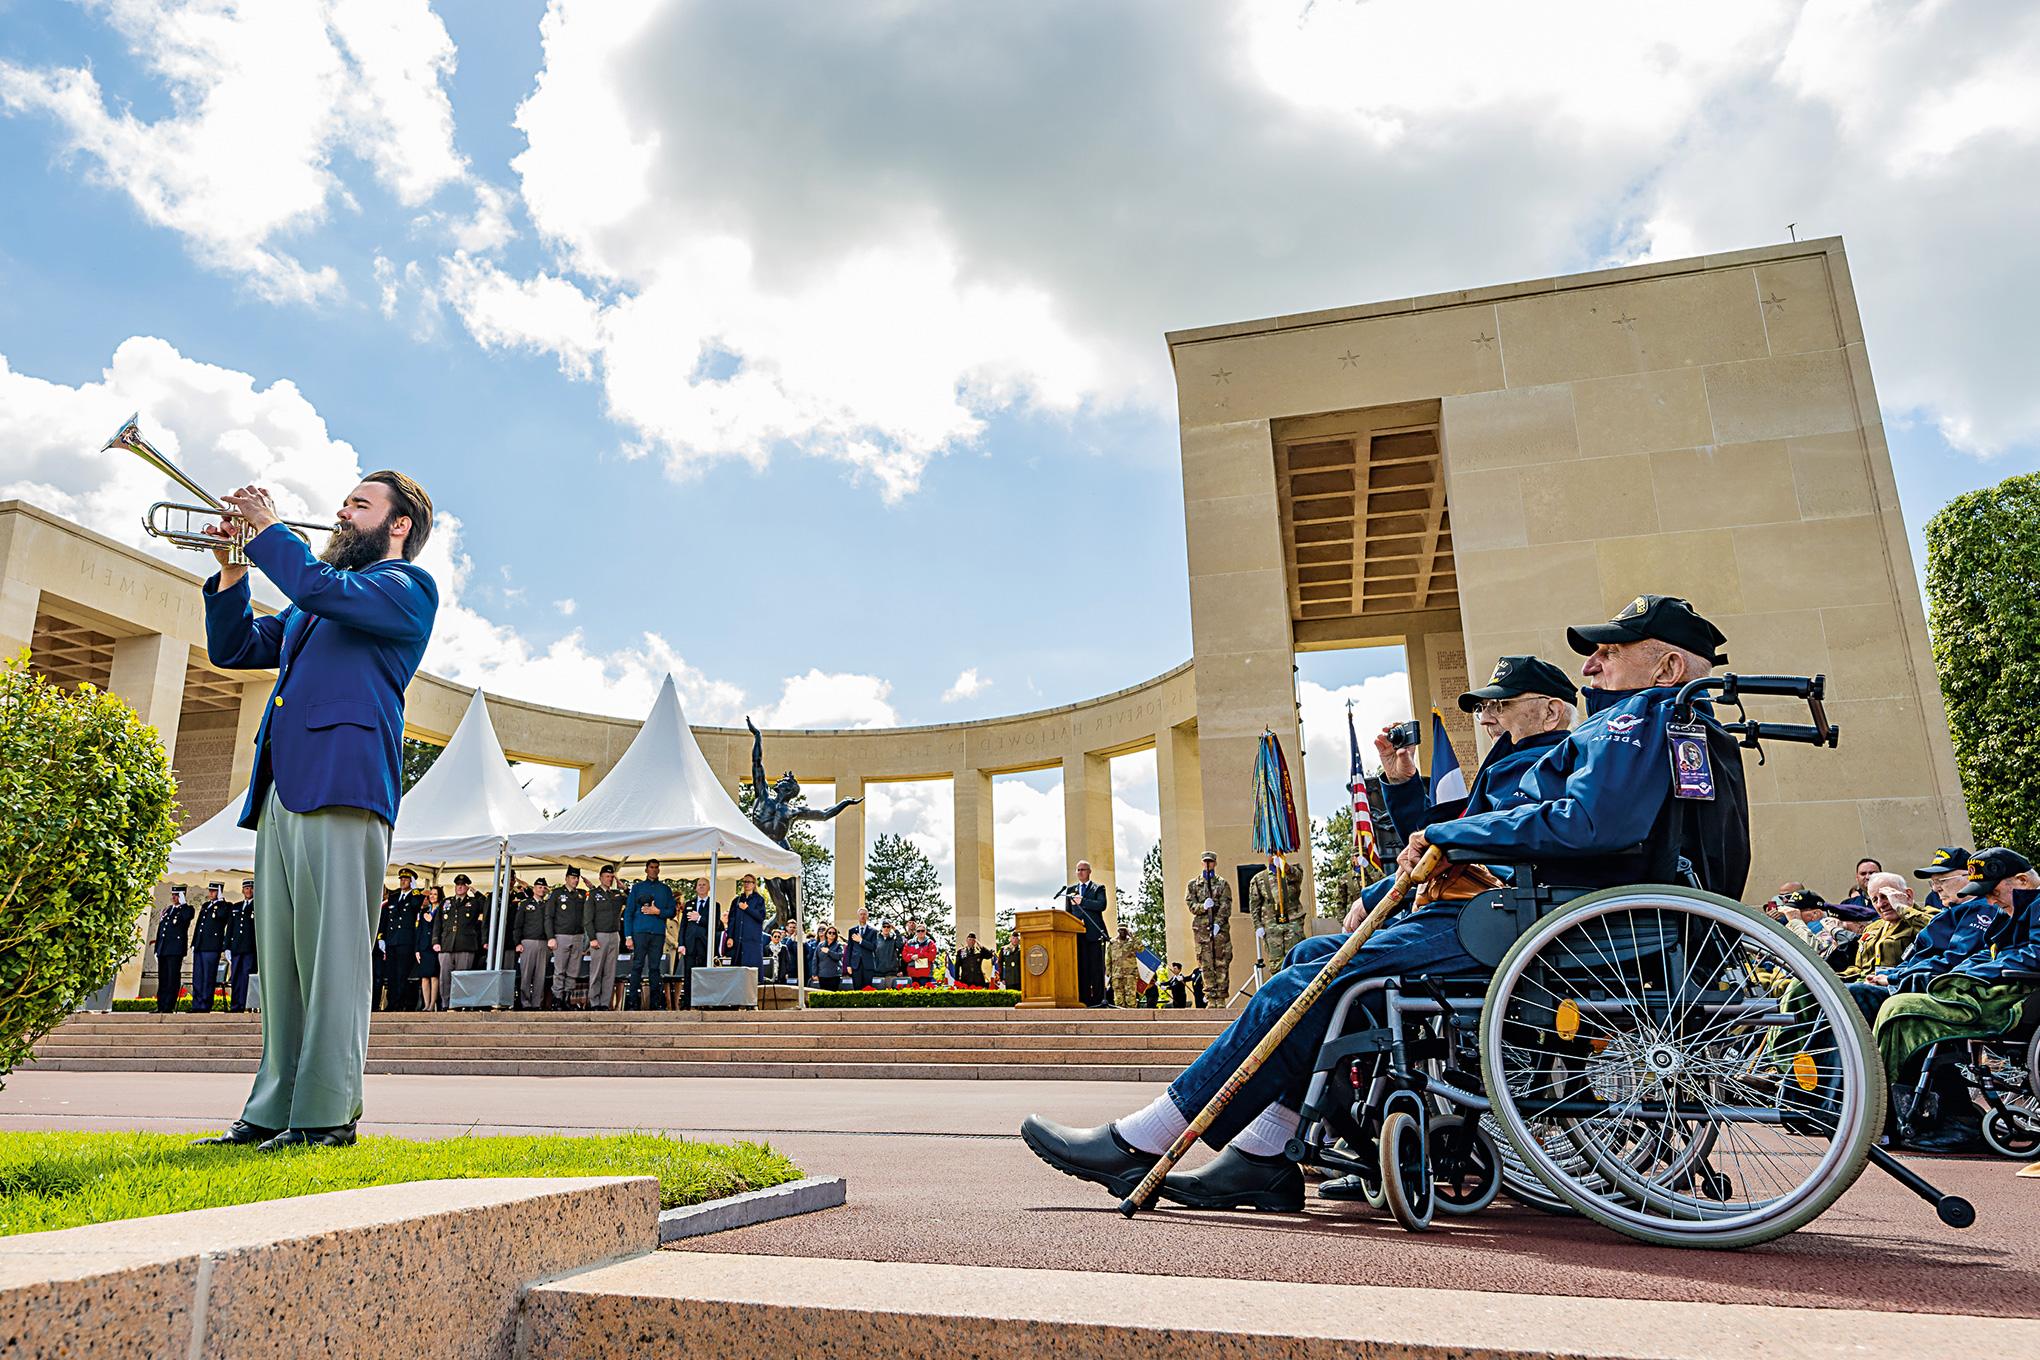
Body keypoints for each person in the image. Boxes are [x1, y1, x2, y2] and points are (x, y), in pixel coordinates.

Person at [1021, 592, 1738, 1212]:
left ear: (1668, 665)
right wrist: (1424, 816)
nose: (1592, 665)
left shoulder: (1633, 722)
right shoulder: (1648, 724)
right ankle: (1268, 1153)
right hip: (1555, 921)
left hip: (1544, 928)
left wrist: (1443, 832)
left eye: (1611, 650)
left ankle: (1146, 1138)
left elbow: (1578, 827)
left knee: (1312, 981)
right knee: (1315, 968)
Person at [191, 467, 438, 1152]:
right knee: (285, 963)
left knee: (333, 961)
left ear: (398, 525)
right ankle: (273, 1110)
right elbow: (234, 648)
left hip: (345, 784)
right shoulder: (317, 603)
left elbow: (313, 585)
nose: (340, 512)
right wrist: (233, 572)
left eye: (358, 505)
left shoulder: (403, 588)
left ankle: (327, 1115)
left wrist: (267, 529)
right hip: (282, 790)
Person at [1876, 849, 2040, 1148]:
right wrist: (1965, 970)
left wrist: (1970, 973)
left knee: (1901, 1011)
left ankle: (1917, 1120)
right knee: (1898, 1007)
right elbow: (1986, 954)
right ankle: (1901, 1116)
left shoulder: (2035, 906)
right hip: (1989, 995)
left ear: (2022, 881)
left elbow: (2032, 955)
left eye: (1992, 891)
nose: (1990, 900)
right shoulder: (2011, 911)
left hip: (2008, 1002)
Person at [625, 861, 676, 1010]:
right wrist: (628, 936)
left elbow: (672, 911)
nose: (654, 870)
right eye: (651, 867)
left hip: (657, 933)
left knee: (655, 968)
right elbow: (628, 912)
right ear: (646, 869)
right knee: (637, 966)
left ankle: (656, 1003)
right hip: (639, 932)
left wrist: (658, 912)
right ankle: (632, 1002)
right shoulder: (637, 888)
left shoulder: (665, 890)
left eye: (656, 867)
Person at [1246, 855, 1305, 978]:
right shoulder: (1259, 879)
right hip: (1272, 926)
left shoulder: (1292, 871)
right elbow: (1254, 905)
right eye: (1270, 853)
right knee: (1276, 965)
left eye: (1276, 853)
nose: (1273, 856)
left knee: (1296, 960)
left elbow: (1297, 877)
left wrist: (1285, 867)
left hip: (1293, 922)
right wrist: (1257, 926)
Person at [434, 874, 488, 1008]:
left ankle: (460, 1003)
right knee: (445, 978)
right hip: (446, 945)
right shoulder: (446, 902)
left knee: (463, 978)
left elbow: (487, 904)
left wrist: (475, 891)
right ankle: (446, 1004)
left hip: (466, 945)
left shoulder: (474, 902)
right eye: (457, 884)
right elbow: (437, 923)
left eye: (463, 885)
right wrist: (436, 941)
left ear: (467, 887)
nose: (459, 887)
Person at [1185, 851, 1233, 1004]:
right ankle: (1211, 998)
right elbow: (1191, 905)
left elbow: (1226, 905)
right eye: (1205, 861)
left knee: (1221, 963)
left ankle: (1221, 998)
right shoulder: (1193, 884)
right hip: (1201, 931)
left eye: (1210, 862)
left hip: (1219, 930)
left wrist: (1218, 923)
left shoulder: (1222, 883)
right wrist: (1203, 907)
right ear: (1201, 863)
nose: (1208, 864)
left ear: (1215, 863)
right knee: (1205, 965)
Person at [1063, 861, 1110, 1007]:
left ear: (1089, 872)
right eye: (1078, 870)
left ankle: (1098, 1001)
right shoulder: (1070, 890)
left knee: (1096, 969)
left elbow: (1101, 905)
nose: (1080, 872)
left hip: (1094, 934)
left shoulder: (1098, 888)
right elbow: (1067, 913)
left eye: (1083, 870)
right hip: (1077, 935)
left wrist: (1083, 902)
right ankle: (1083, 1001)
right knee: (1081, 969)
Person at [376, 869, 423, 1011]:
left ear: (412, 882)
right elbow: (385, 919)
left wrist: (415, 891)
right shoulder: (394, 897)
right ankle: (392, 1003)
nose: (402, 881)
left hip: (405, 941)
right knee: (391, 975)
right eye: (401, 879)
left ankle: (402, 1004)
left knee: (403, 974)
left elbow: (416, 907)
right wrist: (381, 937)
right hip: (391, 941)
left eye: (406, 879)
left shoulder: (415, 896)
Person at [544, 867, 590, 1010]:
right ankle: (557, 999)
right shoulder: (557, 894)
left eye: (577, 878)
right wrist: (550, 937)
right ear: (566, 878)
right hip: (561, 936)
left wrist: (591, 886)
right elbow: (548, 917)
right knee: (560, 970)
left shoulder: (581, 894)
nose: (575, 880)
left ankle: (567, 998)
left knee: (573, 970)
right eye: (572, 877)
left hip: (578, 936)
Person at [586, 864, 627, 1010]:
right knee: (597, 970)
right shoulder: (593, 894)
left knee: (610, 971)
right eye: (607, 876)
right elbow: (587, 919)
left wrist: (625, 888)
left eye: (611, 877)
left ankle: (604, 1003)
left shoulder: (616, 894)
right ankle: (594, 1002)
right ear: (600, 877)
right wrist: (592, 938)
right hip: (599, 935)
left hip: (614, 935)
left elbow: (632, 900)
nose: (609, 879)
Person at [151, 886, 193, 1014]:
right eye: (173, 895)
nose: (174, 897)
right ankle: (161, 1005)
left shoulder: (187, 909)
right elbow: (161, 930)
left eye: (177, 895)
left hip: (175, 950)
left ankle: (169, 1006)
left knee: (172, 979)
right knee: (162, 979)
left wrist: (184, 903)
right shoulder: (168, 910)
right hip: (163, 949)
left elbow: (187, 918)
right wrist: (157, 949)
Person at [190, 883, 230, 1013]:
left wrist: (220, 900)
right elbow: (199, 926)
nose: (210, 893)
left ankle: (205, 1004)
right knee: (198, 976)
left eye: (214, 891)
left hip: (212, 946)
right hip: (200, 945)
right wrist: (194, 943)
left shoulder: (224, 906)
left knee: (208, 977)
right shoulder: (206, 906)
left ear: (219, 892)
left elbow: (222, 916)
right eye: (210, 891)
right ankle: (196, 1004)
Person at [512, 878, 550, 1011]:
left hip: (544, 942)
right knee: (526, 974)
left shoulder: (547, 904)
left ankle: (536, 1003)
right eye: (539, 887)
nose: (541, 890)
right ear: (533, 889)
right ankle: (525, 1002)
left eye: (543, 887)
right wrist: (517, 942)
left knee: (540, 975)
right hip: (528, 942)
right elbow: (518, 925)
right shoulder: (525, 904)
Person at [674, 873, 709, 1007]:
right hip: (689, 945)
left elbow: (716, 924)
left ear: (708, 887)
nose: (701, 887)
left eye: (703, 884)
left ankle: (703, 1002)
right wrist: (681, 943)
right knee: (688, 974)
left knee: (703, 974)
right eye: (699, 885)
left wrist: (699, 918)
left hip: (705, 945)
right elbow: (683, 926)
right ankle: (688, 1002)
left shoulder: (714, 905)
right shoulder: (689, 904)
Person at [724, 874, 769, 977]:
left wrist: (747, 909)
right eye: (744, 882)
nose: (746, 884)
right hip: (738, 940)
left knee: (752, 970)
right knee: (737, 970)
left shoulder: (759, 900)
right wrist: (730, 937)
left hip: (752, 941)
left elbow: (761, 917)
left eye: (749, 882)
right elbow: (731, 920)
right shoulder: (737, 900)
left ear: (754, 884)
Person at [226, 880, 259, 1013]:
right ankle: (235, 1006)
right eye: (246, 888)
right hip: (236, 948)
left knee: (246, 978)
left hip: (249, 949)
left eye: (251, 888)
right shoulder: (236, 906)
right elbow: (230, 928)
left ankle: (245, 1004)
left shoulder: (257, 906)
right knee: (235, 978)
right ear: (242, 890)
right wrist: (227, 946)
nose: (248, 891)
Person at [412, 885, 443, 1012]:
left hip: (434, 947)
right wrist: (417, 949)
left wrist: (431, 920)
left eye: (435, 894)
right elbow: (419, 931)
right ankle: (426, 1004)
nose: (432, 896)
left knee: (434, 976)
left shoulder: (441, 910)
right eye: (431, 894)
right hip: (424, 947)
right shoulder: (424, 911)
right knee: (424, 977)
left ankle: (432, 1004)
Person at [846, 908, 881, 990]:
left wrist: (861, 941)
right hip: (855, 965)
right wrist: (848, 965)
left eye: (864, 914)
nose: (863, 916)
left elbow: (873, 947)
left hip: (868, 965)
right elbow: (849, 949)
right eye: (861, 914)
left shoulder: (873, 931)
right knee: (857, 989)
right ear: (858, 916)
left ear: (867, 916)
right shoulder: (852, 931)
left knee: (867, 989)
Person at [1108, 923, 1142, 1008]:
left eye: (1124, 930)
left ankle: (1132, 1019)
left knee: (1130, 998)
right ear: (1118, 930)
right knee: (1118, 999)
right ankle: (1120, 1018)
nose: (1122, 932)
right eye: (1120, 930)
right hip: (1116, 974)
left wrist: (1133, 937)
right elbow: (1108, 958)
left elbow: (1141, 949)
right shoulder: (1112, 942)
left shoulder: (1132, 942)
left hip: (1130, 975)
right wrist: (1108, 972)